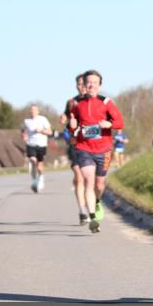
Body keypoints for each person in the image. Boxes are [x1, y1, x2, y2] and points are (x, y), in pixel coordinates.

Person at [68, 70, 125, 233]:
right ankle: (92, 218)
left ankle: (97, 201)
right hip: (84, 148)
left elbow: (120, 122)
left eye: (95, 82)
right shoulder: (76, 104)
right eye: (88, 82)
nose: (91, 85)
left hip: (104, 149)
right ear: (84, 85)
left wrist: (109, 125)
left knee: (99, 184)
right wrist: (73, 125)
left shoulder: (106, 102)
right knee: (88, 180)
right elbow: (73, 128)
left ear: (99, 85)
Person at [60, 74, 89, 224]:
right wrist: (64, 118)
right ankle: (82, 210)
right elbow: (65, 117)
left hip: (92, 144)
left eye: (84, 83)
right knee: (79, 177)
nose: (82, 86)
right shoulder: (71, 102)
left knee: (90, 179)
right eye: (79, 84)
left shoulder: (95, 101)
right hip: (75, 143)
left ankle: (92, 204)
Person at [21, 104, 53, 192]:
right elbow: (23, 131)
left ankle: (41, 178)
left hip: (42, 145)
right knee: (32, 160)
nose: (33, 111)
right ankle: (34, 181)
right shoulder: (26, 121)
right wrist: (24, 136)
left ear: (38, 111)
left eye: (35, 110)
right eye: (31, 110)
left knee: (39, 166)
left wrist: (41, 131)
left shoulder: (43, 119)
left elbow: (50, 132)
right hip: (31, 144)